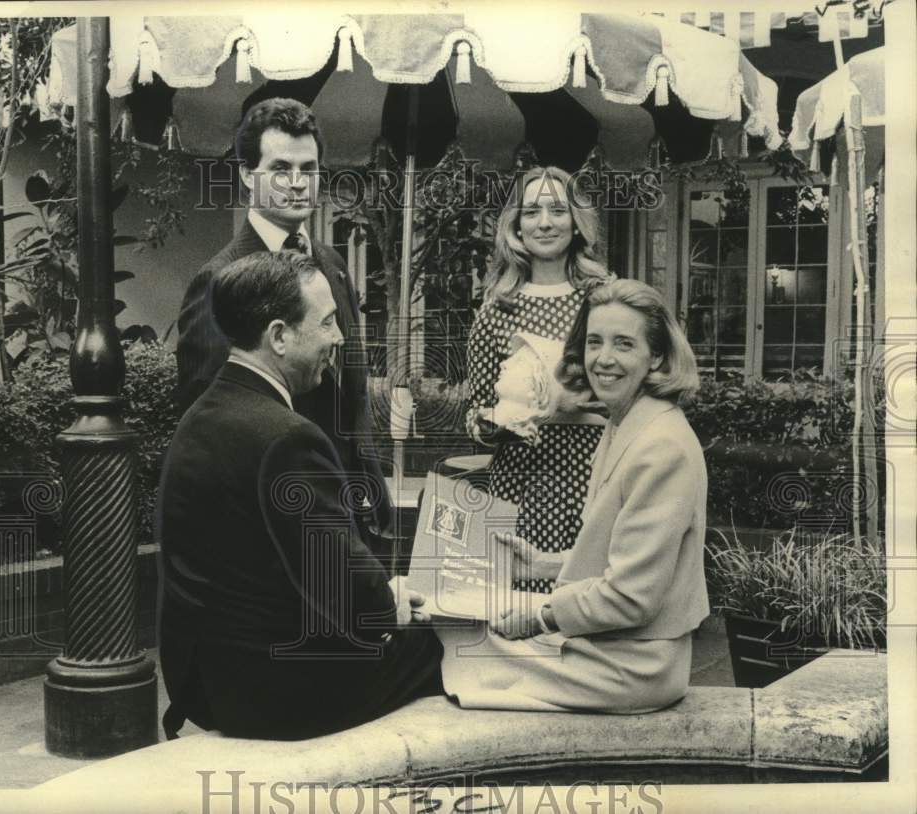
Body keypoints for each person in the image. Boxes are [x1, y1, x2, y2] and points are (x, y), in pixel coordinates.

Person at [158, 252, 442, 740]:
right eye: (327, 322)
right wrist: (389, 601)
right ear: (279, 337)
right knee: (448, 642)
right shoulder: (288, 438)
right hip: (279, 693)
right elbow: (358, 605)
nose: (339, 337)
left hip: (207, 683)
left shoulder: (203, 414)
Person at [438, 278, 708, 713]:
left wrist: (542, 616)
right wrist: (544, 563)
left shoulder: (660, 446)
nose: (604, 359)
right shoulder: (628, 421)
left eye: (624, 344)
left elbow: (630, 598)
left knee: (446, 646)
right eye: (594, 342)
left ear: (656, 355)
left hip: (629, 668)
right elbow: (626, 559)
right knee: (449, 630)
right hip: (616, 651)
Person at [175, 97, 393, 560]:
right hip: (272, 532)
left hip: (351, 520)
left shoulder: (332, 265)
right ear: (246, 176)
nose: (297, 184)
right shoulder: (219, 280)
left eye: (308, 169)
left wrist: (373, 494)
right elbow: (208, 427)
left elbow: (351, 398)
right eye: (279, 169)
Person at [465, 165, 609, 593]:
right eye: (531, 212)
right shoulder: (496, 310)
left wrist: (567, 408)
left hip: (593, 479)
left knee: (587, 604)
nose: (545, 222)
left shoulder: (604, 297)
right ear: (516, 226)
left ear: (577, 222)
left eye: (557, 210)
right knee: (521, 611)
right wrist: (489, 425)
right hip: (518, 486)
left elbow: (633, 401)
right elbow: (479, 412)